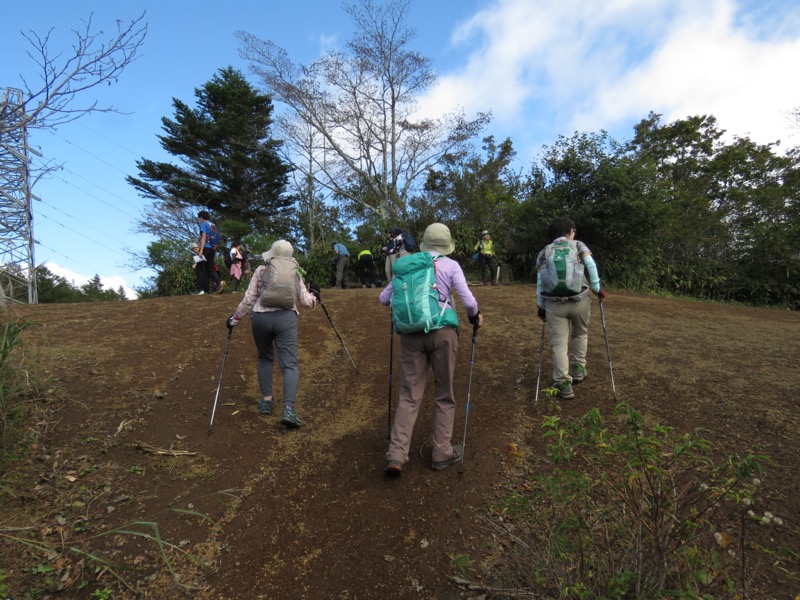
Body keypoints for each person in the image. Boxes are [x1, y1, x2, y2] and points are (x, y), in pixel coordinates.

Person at [379, 223, 484, 475]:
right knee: (444, 394)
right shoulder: (451, 265)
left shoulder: (406, 265)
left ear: (424, 243)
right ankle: (441, 452)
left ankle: (396, 455)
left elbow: (383, 298)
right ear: (446, 245)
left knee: (409, 395)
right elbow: (469, 302)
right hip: (442, 332)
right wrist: (475, 317)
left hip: (411, 335)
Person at [226, 240, 318, 428]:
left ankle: (267, 401)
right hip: (286, 318)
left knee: (265, 358)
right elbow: (306, 301)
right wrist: (315, 296)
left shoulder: (261, 270)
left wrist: (235, 319)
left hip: (261, 318)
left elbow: (249, 298)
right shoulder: (295, 273)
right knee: (289, 364)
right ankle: (289, 410)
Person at [535, 217, 606, 400]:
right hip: (579, 301)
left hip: (554, 305)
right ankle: (578, 368)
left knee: (559, 344)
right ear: (570, 231)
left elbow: (540, 281)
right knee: (580, 334)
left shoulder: (544, 251)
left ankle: (563, 383)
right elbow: (590, 265)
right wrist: (597, 289)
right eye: (573, 230)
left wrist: (541, 306)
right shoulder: (578, 245)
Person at [193, 210, 225, 295]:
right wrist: (215, 247)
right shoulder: (213, 225)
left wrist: (201, 250)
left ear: (201, 217)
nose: (199, 220)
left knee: (199, 267)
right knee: (209, 268)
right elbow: (217, 237)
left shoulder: (204, 224)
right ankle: (219, 283)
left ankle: (200, 289)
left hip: (206, 248)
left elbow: (203, 237)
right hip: (212, 249)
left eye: (199, 218)